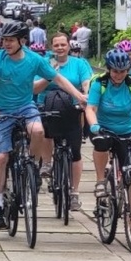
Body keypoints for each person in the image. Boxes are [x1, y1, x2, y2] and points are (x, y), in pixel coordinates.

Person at [0, 22, 87, 229]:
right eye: (4, 40)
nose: (6, 44)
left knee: (38, 130)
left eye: (10, 40)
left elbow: (58, 78)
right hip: (2, 110)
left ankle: (32, 164)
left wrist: (79, 96)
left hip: (25, 107)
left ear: (22, 41)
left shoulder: (34, 59)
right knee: (1, 156)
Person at [85, 49, 131, 236]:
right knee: (101, 144)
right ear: (109, 69)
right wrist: (94, 125)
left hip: (126, 130)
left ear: (128, 69)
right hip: (103, 128)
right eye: (115, 71)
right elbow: (91, 108)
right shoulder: (99, 83)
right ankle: (101, 181)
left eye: (123, 71)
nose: (119, 75)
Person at [33, 33, 91, 210]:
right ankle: (47, 163)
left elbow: (86, 82)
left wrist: (85, 96)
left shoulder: (79, 63)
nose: (60, 48)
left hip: (71, 107)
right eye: (56, 45)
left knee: (75, 151)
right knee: (44, 130)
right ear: (52, 46)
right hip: (47, 105)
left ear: (68, 46)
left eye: (63, 45)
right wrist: (50, 75)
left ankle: (74, 192)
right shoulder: (44, 63)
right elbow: (34, 88)